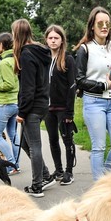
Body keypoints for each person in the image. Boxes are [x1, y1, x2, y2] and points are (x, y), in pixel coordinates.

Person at [75, 6, 111, 180]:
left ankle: (104, 178)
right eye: (100, 23)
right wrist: (102, 85)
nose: (105, 26)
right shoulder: (85, 49)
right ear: (92, 26)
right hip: (93, 103)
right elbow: (80, 80)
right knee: (98, 147)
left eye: (107, 23)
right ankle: (99, 189)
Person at [12, 18, 55, 197]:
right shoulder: (40, 51)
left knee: (34, 146)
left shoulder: (27, 54)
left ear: (17, 34)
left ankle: (37, 185)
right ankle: (45, 174)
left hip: (32, 107)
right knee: (25, 143)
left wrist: (22, 112)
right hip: (42, 103)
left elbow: (28, 88)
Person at [43, 24, 77, 186]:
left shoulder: (68, 59)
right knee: (52, 139)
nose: (53, 40)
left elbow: (72, 86)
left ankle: (69, 171)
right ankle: (59, 169)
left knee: (67, 139)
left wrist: (70, 112)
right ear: (46, 40)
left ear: (62, 40)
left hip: (63, 108)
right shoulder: (44, 59)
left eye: (56, 38)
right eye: (50, 38)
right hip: (47, 108)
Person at [0, 32, 20, 174]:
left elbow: (9, 84)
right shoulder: (15, 59)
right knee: (12, 133)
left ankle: (11, 163)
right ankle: (16, 164)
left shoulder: (4, 63)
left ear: (1, 45)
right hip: (15, 102)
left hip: (5, 103)